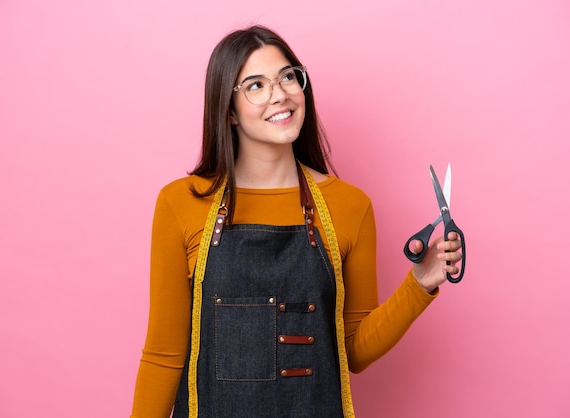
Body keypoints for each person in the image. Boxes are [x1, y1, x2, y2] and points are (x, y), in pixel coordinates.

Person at [131, 25, 463, 418]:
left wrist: (420, 284)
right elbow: (164, 356)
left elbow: (351, 351)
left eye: (288, 76)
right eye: (255, 85)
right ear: (229, 111)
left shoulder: (350, 206)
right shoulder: (180, 203)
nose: (280, 94)